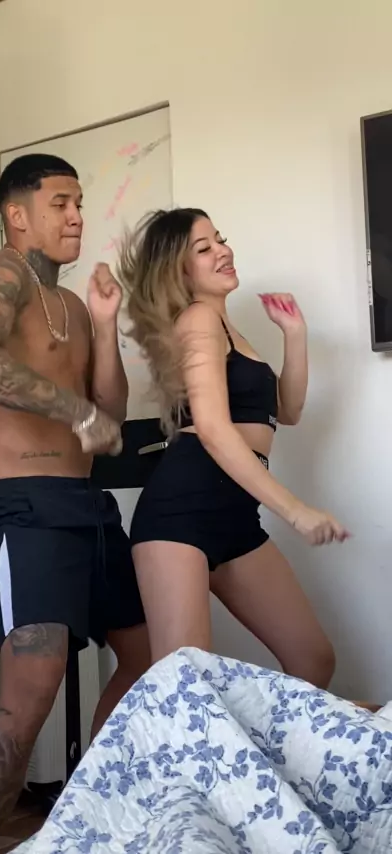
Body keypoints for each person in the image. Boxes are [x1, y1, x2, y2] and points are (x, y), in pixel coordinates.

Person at [0, 153, 150, 854]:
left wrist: (107, 324)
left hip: (86, 504)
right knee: (32, 688)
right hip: (20, 507)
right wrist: (73, 411)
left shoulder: (72, 306)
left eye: (79, 203)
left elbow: (108, 413)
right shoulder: (0, 274)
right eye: (60, 203)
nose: (76, 216)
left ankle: (85, 818)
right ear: (17, 214)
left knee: (150, 659)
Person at [117, 207, 350, 685]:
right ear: (179, 271)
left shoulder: (230, 331)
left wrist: (295, 334)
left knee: (312, 658)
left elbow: (287, 410)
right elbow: (212, 428)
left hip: (235, 513)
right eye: (204, 248)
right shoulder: (199, 319)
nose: (223, 251)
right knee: (185, 685)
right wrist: (295, 511)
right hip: (183, 510)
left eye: (219, 239)